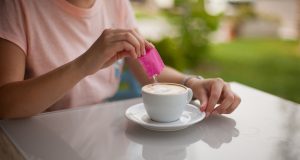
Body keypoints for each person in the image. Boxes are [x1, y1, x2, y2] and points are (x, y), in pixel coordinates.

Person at [0, 0, 241, 119]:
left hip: (100, 136)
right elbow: (5, 103)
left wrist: (192, 82)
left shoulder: (116, 3)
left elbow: (152, 71)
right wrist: (84, 65)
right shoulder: (16, 6)